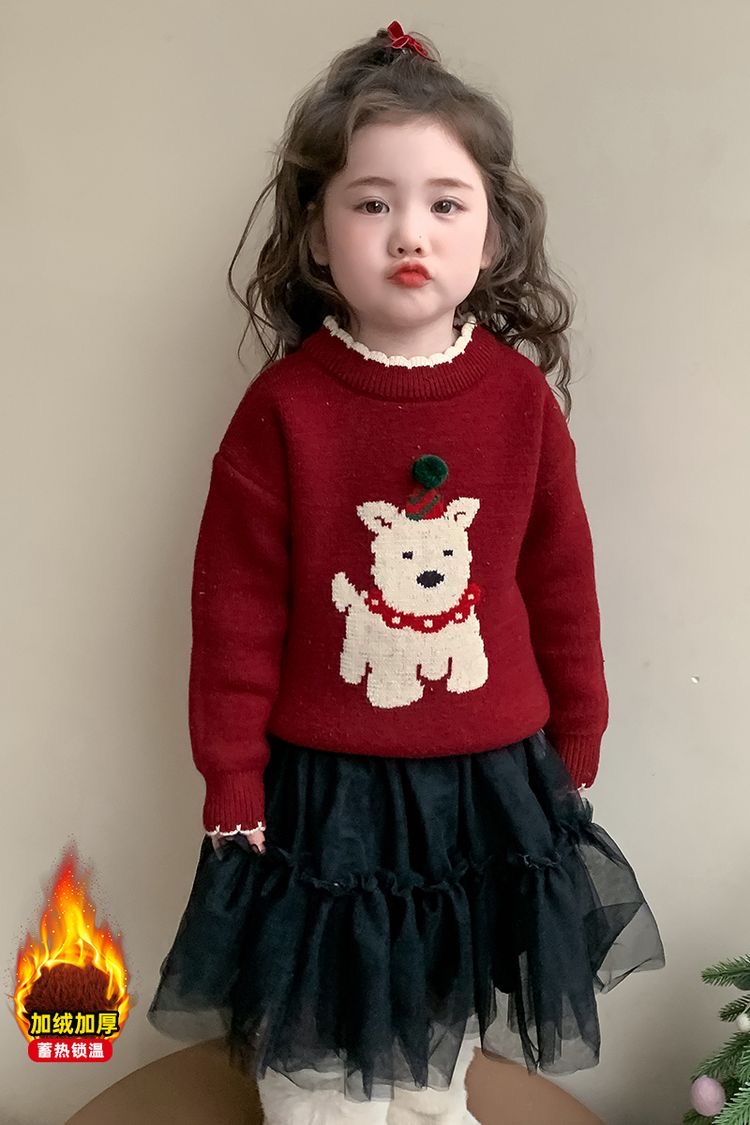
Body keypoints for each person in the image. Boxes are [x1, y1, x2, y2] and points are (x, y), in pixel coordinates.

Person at [147, 19, 666, 1124]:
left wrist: (580, 729)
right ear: (317, 234)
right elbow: (234, 612)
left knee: (449, 987)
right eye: (372, 203)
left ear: (494, 233)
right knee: (322, 1015)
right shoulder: (284, 409)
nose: (408, 233)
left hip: (490, 777)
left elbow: (561, 580)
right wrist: (231, 776)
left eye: (445, 203)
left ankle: (431, 1103)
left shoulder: (519, 401)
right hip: (328, 783)